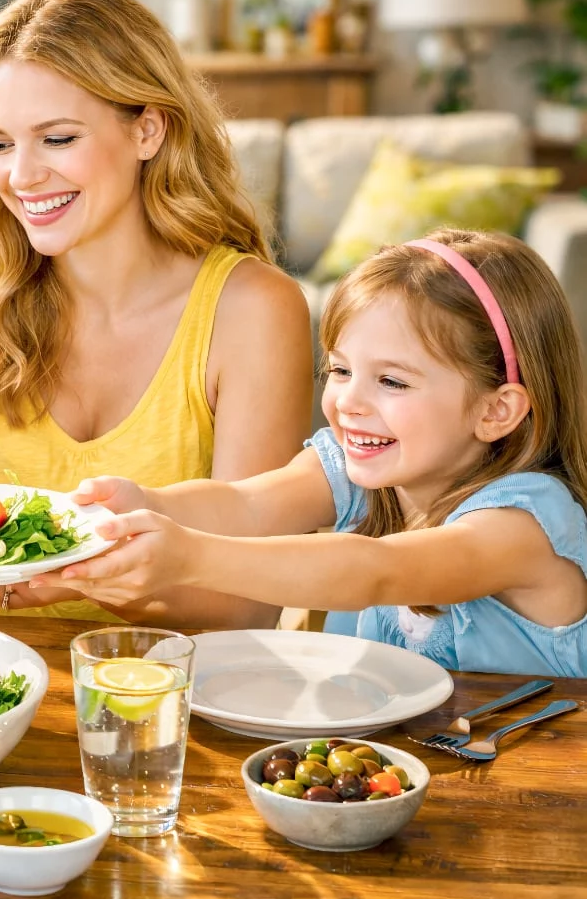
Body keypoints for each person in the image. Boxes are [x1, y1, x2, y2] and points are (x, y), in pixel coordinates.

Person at [0, 0, 312, 628]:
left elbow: (245, 606)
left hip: (172, 705)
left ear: (148, 130)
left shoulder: (252, 310)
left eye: (58, 138)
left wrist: (68, 574)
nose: (20, 175)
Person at [36, 230, 587, 677]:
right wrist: (142, 504)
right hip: (386, 771)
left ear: (496, 411)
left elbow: (380, 572)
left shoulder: (525, 525)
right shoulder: (356, 471)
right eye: (341, 370)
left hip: (527, 793)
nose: (348, 401)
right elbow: (245, 505)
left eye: (392, 382)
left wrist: (190, 558)